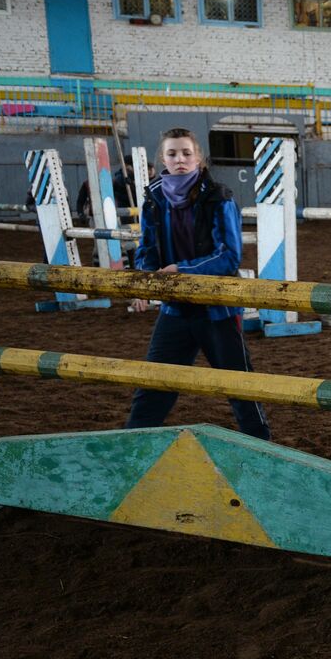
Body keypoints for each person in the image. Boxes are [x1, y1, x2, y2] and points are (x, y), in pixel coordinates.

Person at [124, 127, 270, 440]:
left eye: (186, 153)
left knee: (239, 385)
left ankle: (262, 445)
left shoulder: (219, 197)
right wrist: (145, 282)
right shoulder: (153, 198)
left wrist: (182, 269)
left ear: (198, 158)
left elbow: (228, 257)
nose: (180, 159)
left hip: (217, 310)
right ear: (162, 159)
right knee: (154, 384)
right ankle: (130, 444)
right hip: (176, 311)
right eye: (172, 153)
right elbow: (147, 249)